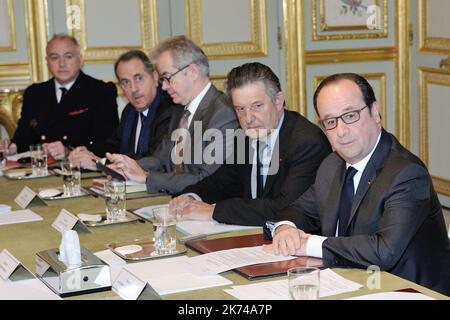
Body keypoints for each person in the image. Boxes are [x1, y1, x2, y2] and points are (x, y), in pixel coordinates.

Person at [264, 73, 450, 295]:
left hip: (406, 291)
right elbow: (300, 208)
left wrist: (311, 244)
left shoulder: (407, 174)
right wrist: (286, 228)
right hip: (350, 282)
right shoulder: (332, 164)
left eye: (350, 116)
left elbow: (384, 251)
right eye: (330, 122)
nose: (341, 132)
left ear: (374, 112)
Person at [169, 62, 331, 226]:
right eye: (240, 109)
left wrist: (214, 211)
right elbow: (222, 182)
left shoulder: (307, 143)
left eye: (257, 106)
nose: (248, 119)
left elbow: (286, 208)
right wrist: (191, 196)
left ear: (278, 101)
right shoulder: (246, 135)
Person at [107, 35, 238, 194]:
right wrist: (129, 166)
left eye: (167, 78)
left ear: (192, 72)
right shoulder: (180, 111)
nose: (164, 87)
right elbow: (162, 159)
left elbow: (205, 179)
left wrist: (147, 177)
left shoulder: (223, 112)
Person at [1, 34, 118, 160]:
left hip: (81, 171)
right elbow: (24, 137)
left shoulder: (100, 91)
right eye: (54, 57)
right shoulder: (35, 94)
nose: (62, 64)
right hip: (41, 170)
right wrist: (13, 147)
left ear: (80, 59)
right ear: (47, 62)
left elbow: (109, 143)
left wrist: (69, 151)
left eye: (68, 56)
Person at [68, 50, 181, 170]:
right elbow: (115, 145)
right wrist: (88, 152)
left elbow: (154, 158)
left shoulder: (169, 109)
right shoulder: (129, 111)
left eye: (138, 78)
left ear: (154, 77)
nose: (133, 89)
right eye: (126, 82)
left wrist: (101, 163)